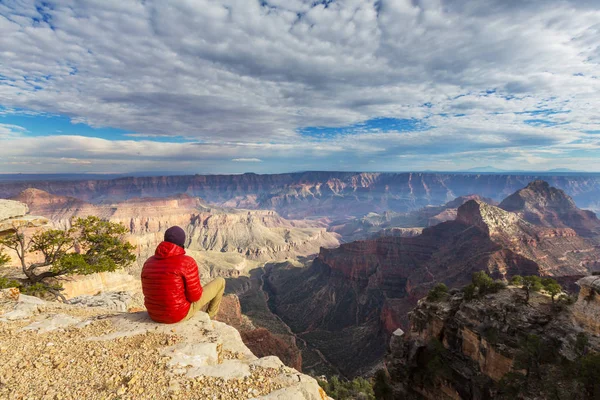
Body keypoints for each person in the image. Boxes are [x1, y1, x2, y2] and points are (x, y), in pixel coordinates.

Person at [141, 226, 225, 323]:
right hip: (177, 315)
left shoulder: (148, 262)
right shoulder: (187, 262)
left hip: (154, 315)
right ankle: (210, 317)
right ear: (182, 242)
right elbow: (195, 297)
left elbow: (146, 292)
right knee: (221, 281)